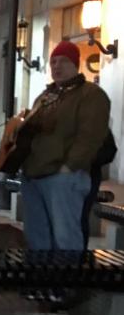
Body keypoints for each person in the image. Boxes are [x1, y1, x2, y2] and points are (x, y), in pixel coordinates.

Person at [20, 41, 110, 253]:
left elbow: (90, 135)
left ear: (75, 64)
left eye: (63, 61)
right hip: (34, 175)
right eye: (53, 62)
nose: (57, 66)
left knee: (65, 237)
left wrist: (69, 167)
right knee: (37, 237)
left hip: (63, 176)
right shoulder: (45, 97)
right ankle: (41, 281)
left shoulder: (90, 94)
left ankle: (65, 283)